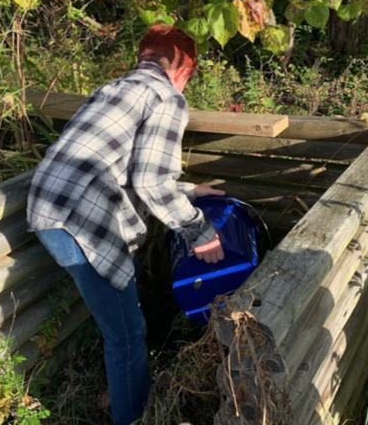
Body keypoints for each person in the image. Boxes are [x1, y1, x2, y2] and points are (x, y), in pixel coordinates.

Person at [27, 25, 225, 425]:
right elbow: (151, 181)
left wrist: (189, 189)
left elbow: (126, 168)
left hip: (50, 209)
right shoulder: (167, 98)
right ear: (184, 68)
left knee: (121, 301)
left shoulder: (113, 88)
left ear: (143, 58)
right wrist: (201, 233)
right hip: (82, 220)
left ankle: (123, 387)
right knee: (127, 335)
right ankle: (132, 415)